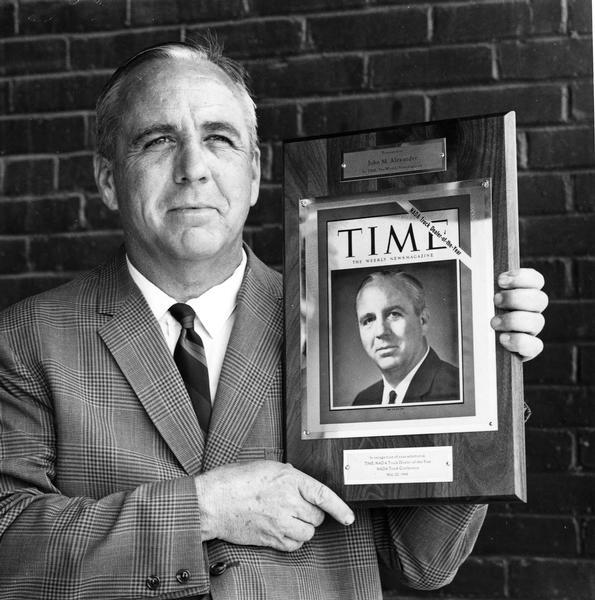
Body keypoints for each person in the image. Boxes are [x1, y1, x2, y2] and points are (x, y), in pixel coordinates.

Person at [0, 41, 548, 600]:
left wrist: (496, 380)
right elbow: (9, 547)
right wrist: (202, 510)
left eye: (218, 138)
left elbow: (422, 563)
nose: (194, 169)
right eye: (158, 140)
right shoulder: (26, 340)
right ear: (109, 179)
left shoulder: (324, 323)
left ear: (255, 171)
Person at [353, 270, 459, 406]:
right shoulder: (362, 401)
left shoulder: (456, 390)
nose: (380, 332)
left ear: (423, 321)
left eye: (394, 314)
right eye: (368, 320)